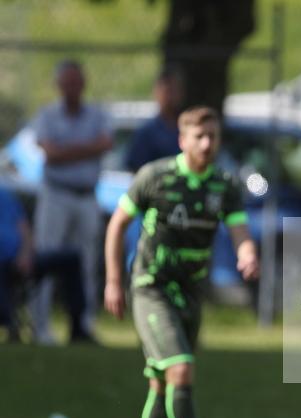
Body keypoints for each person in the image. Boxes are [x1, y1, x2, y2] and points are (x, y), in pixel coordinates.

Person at [104, 106, 259, 418]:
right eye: (199, 137)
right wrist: (112, 281)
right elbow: (117, 223)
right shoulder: (155, 177)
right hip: (151, 288)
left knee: (164, 381)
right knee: (181, 368)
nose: (207, 144)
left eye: (213, 137)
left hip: (190, 293)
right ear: (182, 140)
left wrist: (246, 252)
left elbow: (239, 229)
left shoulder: (224, 184)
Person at [31, 59, 112, 345]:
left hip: (87, 196)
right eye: (67, 83)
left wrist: (68, 150)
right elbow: (50, 153)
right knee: (46, 257)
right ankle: (39, 325)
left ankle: (82, 324)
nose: (72, 88)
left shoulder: (98, 115)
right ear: (59, 85)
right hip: (56, 194)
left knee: (87, 261)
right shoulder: (48, 116)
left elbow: (105, 144)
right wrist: (84, 150)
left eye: (76, 82)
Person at [0, 188, 89, 342]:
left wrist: (25, 255)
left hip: (21, 259)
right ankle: (10, 325)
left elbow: (25, 229)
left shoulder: (4, 195)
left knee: (71, 258)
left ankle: (78, 328)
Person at [125, 67, 184, 172]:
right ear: (156, 93)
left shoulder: (188, 130)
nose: (170, 97)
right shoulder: (146, 132)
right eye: (167, 91)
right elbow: (135, 169)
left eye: (175, 90)